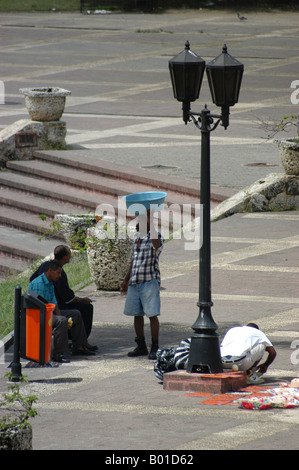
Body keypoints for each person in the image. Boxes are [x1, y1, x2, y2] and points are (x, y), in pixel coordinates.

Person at [27, 260, 95, 362]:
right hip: (39, 316)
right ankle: (58, 353)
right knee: (61, 321)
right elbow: (40, 308)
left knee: (75, 314)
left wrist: (60, 315)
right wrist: (61, 319)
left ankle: (79, 346)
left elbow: (55, 304)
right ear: (50, 271)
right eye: (58, 272)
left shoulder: (50, 282)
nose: (59, 276)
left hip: (49, 312)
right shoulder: (39, 284)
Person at [120, 209, 164, 360]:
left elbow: (157, 246)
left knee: (152, 315)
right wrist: (126, 280)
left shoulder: (156, 237)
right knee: (136, 315)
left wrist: (150, 221)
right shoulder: (137, 238)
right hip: (135, 282)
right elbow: (134, 261)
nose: (138, 224)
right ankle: (141, 345)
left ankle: (155, 346)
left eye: (141, 221)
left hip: (149, 282)